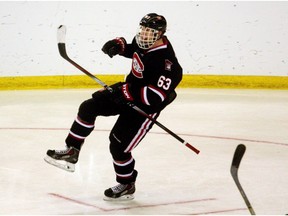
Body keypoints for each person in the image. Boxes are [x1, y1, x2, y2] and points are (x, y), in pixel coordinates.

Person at [44, 13, 183, 201]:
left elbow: (153, 98)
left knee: (118, 146)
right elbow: (134, 49)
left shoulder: (167, 64)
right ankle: (72, 150)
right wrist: (120, 45)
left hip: (143, 110)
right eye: (142, 30)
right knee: (88, 107)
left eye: (149, 32)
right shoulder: (145, 42)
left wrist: (125, 91)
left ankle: (127, 184)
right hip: (127, 92)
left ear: (160, 34)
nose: (144, 35)